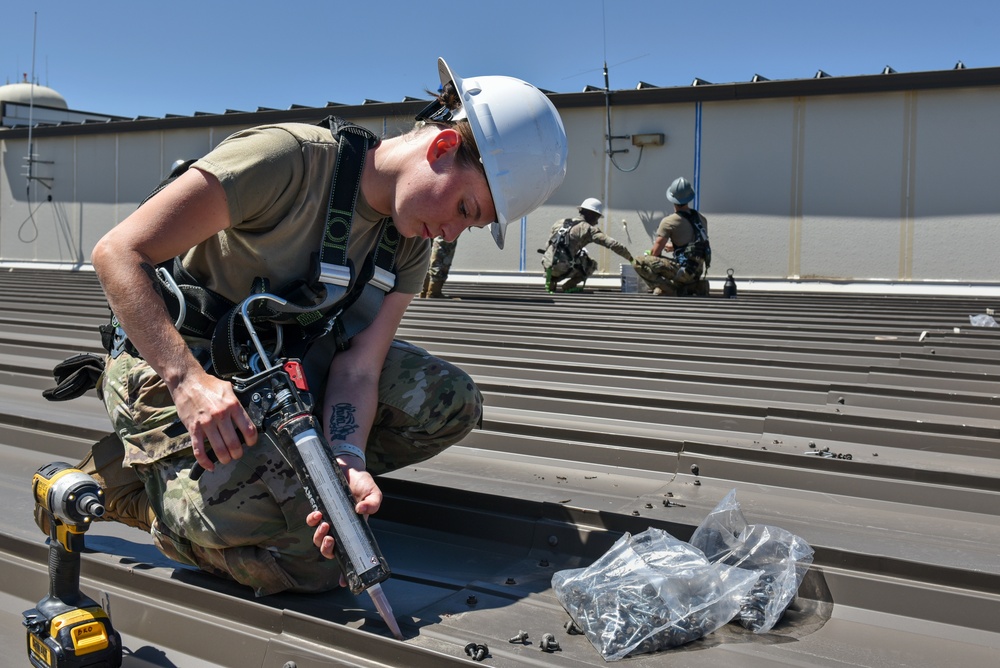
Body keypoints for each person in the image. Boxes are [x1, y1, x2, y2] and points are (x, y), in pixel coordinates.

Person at [61, 58, 568, 597]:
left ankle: (274, 479)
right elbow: (118, 252)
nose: (451, 231)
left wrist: (346, 459)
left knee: (450, 402)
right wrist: (187, 381)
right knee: (315, 563)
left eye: (472, 223)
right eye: (465, 206)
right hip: (174, 363)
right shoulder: (288, 160)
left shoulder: (409, 244)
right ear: (442, 147)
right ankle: (123, 487)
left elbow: (359, 368)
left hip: (275, 375)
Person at [631, 177, 712, 296]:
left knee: (638, 262)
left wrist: (650, 254)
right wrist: (675, 247)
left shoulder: (669, 222)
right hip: (697, 272)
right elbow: (697, 245)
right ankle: (695, 286)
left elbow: (655, 253)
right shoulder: (701, 219)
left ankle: (670, 289)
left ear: (672, 198)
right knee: (676, 269)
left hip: (683, 271)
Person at [540, 197, 633, 293]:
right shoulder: (588, 229)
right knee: (591, 264)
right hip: (563, 268)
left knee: (563, 256)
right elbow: (613, 244)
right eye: (597, 217)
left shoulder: (560, 222)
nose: (597, 222)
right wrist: (630, 258)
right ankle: (568, 286)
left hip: (547, 266)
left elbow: (548, 245)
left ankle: (551, 281)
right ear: (590, 214)